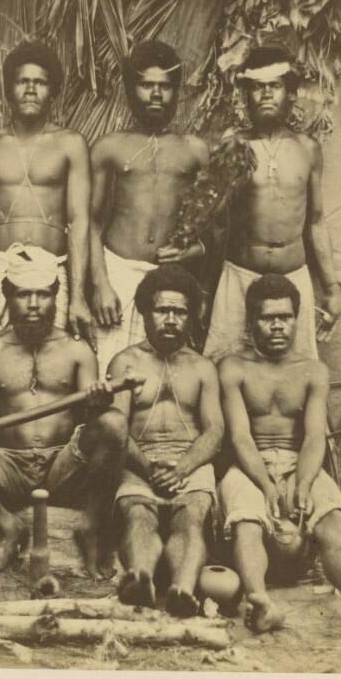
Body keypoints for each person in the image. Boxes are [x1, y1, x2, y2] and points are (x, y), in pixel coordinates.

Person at [0, 247, 127, 578]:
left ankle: (91, 526)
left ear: (55, 296)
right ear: (7, 295)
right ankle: (7, 526)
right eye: (23, 295)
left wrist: (97, 401)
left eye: (42, 294)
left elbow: (95, 423)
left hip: (63, 467)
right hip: (9, 468)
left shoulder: (78, 351)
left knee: (114, 422)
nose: (33, 304)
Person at [217, 273, 341, 633]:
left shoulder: (313, 371)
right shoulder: (233, 368)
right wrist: (266, 484)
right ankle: (260, 602)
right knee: (246, 518)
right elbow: (241, 436)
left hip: (299, 462)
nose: (278, 326)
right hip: (248, 466)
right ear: (251, 321)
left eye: (286, 317)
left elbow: (312, 438)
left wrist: (304, 484)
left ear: (296, 319)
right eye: (268, 317)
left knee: (331, 516)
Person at [205, 46, 341, 362]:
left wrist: (332, 288)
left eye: (275, 86)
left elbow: (317, 221)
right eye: (257, 87)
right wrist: (206, 289)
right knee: (227, 367)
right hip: (239, 278)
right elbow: (214, 221)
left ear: (290, 93)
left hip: (292, 278)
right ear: (247, 95)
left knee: (294, 375)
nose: (266, 94)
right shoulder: (233, 146)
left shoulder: (307, 149)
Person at [102, 264, 223, 617]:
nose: (170, 319)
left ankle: (183, 589)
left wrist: (183, 468)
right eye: (162, 310)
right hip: (139, 460)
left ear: (191, 316)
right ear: (144, 311)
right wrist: (149, 468)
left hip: (190, 462)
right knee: (139, 515)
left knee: (191, 518)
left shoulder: (203, 368)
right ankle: (141, 578)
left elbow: (214, 430)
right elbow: (116, 429)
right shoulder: (124, 362)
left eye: (179, 312)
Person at [0, 41, 93, 353]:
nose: (31, 89)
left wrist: (77, 296)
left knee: (55, 362)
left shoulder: (71, 145)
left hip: (52, 273)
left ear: (53, 91)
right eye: (22, 81)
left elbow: (79, 220)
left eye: (40, 82)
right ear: (8, 90)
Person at [90, 41, 210, 376]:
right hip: (119, 273)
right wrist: (101, 283)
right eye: (146, 85)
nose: (156, 94)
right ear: (131, 89)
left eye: (165, 86)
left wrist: (193, 250)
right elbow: (89, 222)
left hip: (172, 281)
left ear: (176, 93)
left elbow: (220, 229)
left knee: (166, 371)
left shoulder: (194, 151)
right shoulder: (109, 147)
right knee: (111, 369)